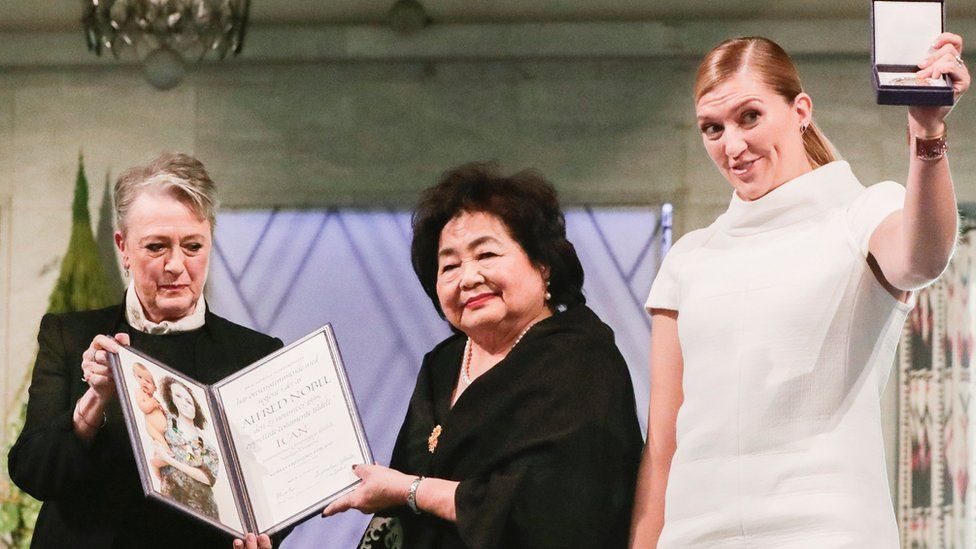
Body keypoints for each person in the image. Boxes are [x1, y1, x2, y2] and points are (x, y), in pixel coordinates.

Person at [629, 35, 970, 547]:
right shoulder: (689, 258)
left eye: (750, 117)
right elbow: (663, 445)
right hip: (695, 534)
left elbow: (923, 259)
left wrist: (927, 132)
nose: (732, 145)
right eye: (712, 128)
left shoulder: (860, 212)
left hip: (826, 528)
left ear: (801, 110)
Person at [322, 162, 643, 548]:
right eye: (450, 265)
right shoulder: (443, 363)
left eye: (486, 254)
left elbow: (560, 510)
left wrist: (413, 491)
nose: (468, 277)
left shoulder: (581, 359)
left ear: (543, 265)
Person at [8, 153, 281, 549]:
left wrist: (264, 537)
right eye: (156, 246)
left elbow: (277, 493)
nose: (176, 265)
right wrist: (93, 404)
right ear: (123, 247)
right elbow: (33, 472)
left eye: (192, 246)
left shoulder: (255, 354)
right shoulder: (69, 336)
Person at [152, 376, 220, 521]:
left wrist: (169, 460)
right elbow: (155, 460)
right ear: (171, 399)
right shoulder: (167, 427)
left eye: (189, 401)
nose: (185, 403)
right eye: (178, 396)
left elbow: (208, 478)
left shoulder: (207, 445)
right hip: (170, 503)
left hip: (203, 510)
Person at [132, 362, 167, 449]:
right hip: (153, 428)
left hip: (165, 430)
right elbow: (143, 407)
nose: (143, 382)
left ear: (155, 388)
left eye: (148, 381)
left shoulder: (154, 399)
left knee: (168, 442)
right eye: (140, 377)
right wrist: (151, 405)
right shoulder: (139, 392)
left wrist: (163, 411)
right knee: (163, 446)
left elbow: (161, 410)